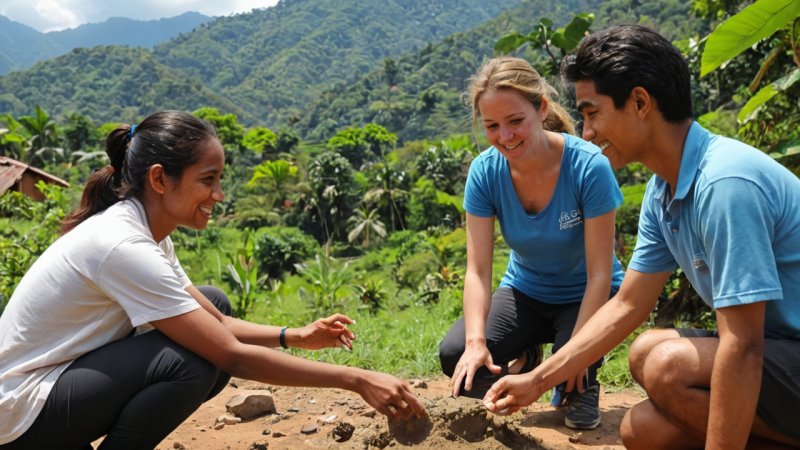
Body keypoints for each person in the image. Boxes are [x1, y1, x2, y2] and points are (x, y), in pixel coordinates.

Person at [0, 110, 425, 450]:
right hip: (20, 411)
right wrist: (356, 379)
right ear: (160, 179)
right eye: (208, 180)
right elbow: (231, 355)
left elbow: (213, 322)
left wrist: (294, 335)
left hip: (51, 390)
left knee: (213, 303)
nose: (219, 195)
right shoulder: (122, 245)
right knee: (193, 358)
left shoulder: (146, 231)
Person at [482, 25, 800, 449]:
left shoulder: (725, 183)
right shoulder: (662, 190)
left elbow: (743, 347)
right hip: (782, 356)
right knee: (643, 422)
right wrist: (537, 381)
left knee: (668, 364)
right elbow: (630, 303)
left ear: (639, 102)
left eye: (593, 113)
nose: (587, 131)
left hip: (778, 350)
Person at [438, 56, 624, 430]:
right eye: (492, 126)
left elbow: (600, 274)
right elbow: (477, 270)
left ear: (541, 108)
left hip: (584, 295)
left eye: (515, 121)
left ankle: (578, 385)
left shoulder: (588, 167)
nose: (505, 137)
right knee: (456, 357)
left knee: (578, 394)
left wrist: (576, 354)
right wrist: (477, 342)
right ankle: (531, 360)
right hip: (525, 292)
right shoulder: (485, 173)